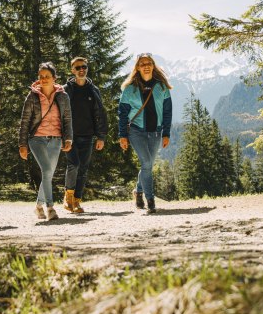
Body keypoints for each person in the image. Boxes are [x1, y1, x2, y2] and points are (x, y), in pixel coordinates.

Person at [118, 53, 172, 214]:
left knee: (146, 165)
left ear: (153, 66)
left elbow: (168, 111)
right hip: (136, 131)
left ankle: (138, 191)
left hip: (155, 132)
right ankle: (150, 200)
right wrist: (123, 135)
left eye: (149, 63)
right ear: (137, 68)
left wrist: (166, 133)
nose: (146, 66)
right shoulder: (130, 89)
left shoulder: (161, 86)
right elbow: (122, 113)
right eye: (142, 64)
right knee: (147, 163)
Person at [19, 62, 73, 221]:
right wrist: (22, 144)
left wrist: (68, 138)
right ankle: (50, 208)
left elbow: (67, 118)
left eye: (47, 76)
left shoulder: (63, 96)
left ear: (54, 78)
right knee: (47, 171)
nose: (43, 79)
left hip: (56, 140)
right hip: (36, 139)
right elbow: (25, 121)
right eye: (41, 76)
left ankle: (38, 206)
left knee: (48, 174)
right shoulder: (32, 96)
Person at [62, 56, 108, 213]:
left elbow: (100, 114)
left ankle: (77, 201)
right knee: (73, 164)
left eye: (84, 67)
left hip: (87, 136)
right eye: (78, 67)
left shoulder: (93, 90)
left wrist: (101, 137)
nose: (81, 70)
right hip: (69, 136)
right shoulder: (65, 90)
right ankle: (68, 196)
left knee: (83, 169)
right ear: (72, 70)